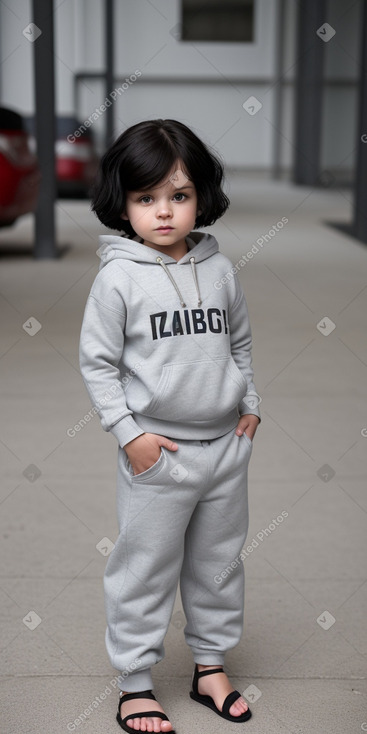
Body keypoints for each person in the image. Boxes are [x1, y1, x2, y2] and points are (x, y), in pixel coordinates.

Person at [79, 118, 261, 734]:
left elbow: (239, 342)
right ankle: (134, 683)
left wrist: (250, 401)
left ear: (202, 197)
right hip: (160, 453)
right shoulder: (118, 278)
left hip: (225, 450)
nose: (163, 212)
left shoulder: (221, 269)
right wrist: (131, 437)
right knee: (145, 567)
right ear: (121, 203)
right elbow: (98, 365)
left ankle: (210, 666)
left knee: (217, 565)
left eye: (178, 196)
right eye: (145, 198)